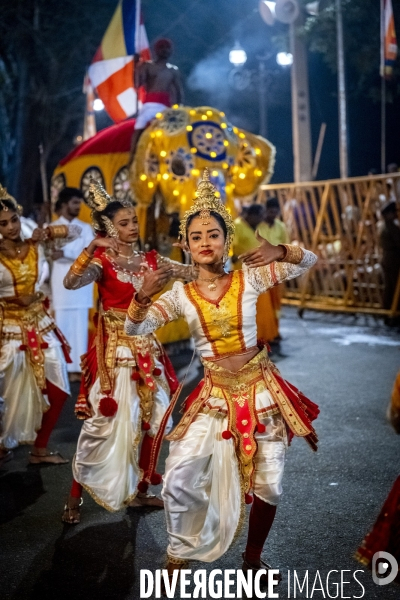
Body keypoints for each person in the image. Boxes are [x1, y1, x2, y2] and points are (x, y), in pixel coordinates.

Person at [124, 169, 319, 583]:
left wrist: (281, 250)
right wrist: (142, 296)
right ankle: (180, 548)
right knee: (178, 475)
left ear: (227, 240)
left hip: (261, 392)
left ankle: (253, 558)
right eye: (196, 237)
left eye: (213, 234)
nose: (205, 243)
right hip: (213, 396)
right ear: (185, 245)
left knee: (269, 486)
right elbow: (134, 328)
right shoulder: (180, 294)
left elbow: (311, 260)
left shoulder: (250, 275)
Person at [61, 180, 196, 523]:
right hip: (116, 354)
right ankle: (74, 498)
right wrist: (91, 249)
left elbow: (194, 275)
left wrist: (199, 250)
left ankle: (140, 491)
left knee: (153, 421)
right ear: (108, 228)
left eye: (134, 221)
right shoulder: (102, 262)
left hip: (147, 350)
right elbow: (70, 283)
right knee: (104, 423)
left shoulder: (151, 259)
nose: (133, 227)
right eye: (124, 223)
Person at [0, 184, 77, 465]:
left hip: (41, 325)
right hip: (8, 330)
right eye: (3, 224)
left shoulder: (36, 245)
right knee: (7, 395)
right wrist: (11, 300)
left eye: (14, 220)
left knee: (59, 389)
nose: (10, 227)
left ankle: (40, 448)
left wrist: (48, 231)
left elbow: (75, 232)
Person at [50, 187, 94, 382]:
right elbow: (48, 255)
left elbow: (89, 255)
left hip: (81, 287)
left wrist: (66, 255)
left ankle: (78, 369)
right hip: (60, 285)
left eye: (79, 203)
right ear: (64, 204)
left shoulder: (85, 228)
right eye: (75, 203)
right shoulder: (51, 228)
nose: (78, 207)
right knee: (61, 325)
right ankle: (63, 369)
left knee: (79, 327)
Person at [129, 38, 183, 163]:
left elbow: (179, 91)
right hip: (149, 105)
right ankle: (132, 158)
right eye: (162, 48)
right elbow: (137, 85)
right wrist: (135, 67)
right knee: (139, 127)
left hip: (165, 107)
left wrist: (178, 109)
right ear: (157, 50)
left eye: (167, 48)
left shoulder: (173, 70)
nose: (165, 50)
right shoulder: (148, 66)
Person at [232, 204, 279, 344]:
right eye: (259, 215)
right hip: (242, 274)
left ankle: (264, 336)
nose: (262, 218)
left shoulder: (259, 227)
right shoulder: (237, 226)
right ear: (251, 215)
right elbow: (230, 249)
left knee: (263, 307)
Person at [258, 197, 290, 342]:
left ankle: (275, 332)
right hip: (261, 270)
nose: (272, 214)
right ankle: (266, 333)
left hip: (277, 270)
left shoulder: (281, 226)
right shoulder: (258, 226)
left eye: (275, 211)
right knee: (266, 304)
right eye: (270, 211)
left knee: (276, 303)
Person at [379, 201, 400, 320]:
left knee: (388, 286)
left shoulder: (383, 226)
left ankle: (387, 310)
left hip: (387, 258)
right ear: (389, 214)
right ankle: (393, 311)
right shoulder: (391, 227)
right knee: (393, 286)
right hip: (393, 259)